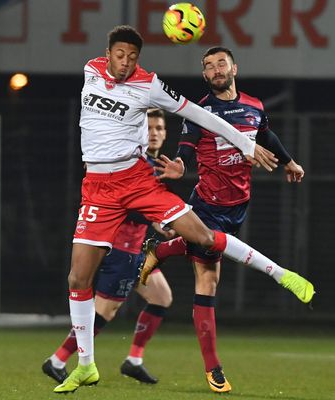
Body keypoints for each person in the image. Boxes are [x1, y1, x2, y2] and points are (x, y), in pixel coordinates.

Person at [53, 25, 314, 394]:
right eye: (119, 55)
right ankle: (84, 366)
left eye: (132, 56)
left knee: (204, 240)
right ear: (108, 54)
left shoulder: (150, 84)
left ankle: (279, 274)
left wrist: (245, 144)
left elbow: (197, 114)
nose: (124, 62)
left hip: (136, 180)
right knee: (78, 279)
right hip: (97, 188)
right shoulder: (90, 70)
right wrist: (180, 159)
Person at [138, 46, 306, 393]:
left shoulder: (255, 106)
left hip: (238, 205)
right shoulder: (200, 112)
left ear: (234, 68)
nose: (215, 70)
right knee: (208, 281)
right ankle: (213, 369)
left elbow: (265, 135)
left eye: (220, 64)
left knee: (208, 275)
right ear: (204, 76)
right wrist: (180, 165)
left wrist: (288, 160)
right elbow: (186, 147)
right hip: (208, 205)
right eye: (208, 66)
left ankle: (162, 249)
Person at [42, 109, 173, 385]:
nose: (154, 132)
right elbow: (128, 205)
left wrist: (164, 220)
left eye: (159, 127)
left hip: (137, 248)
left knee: (161, 296)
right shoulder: (130, 162)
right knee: (104, 310)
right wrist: (164, 221)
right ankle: (58, 360)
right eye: (148, 126)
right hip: (120, 247)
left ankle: (133, 360)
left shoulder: (153, 164)